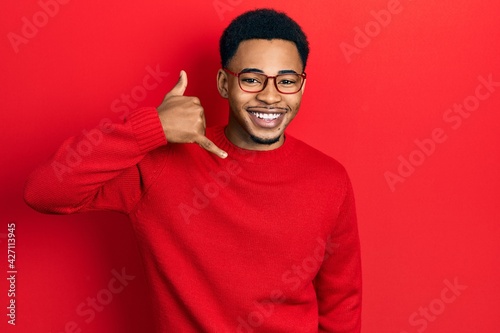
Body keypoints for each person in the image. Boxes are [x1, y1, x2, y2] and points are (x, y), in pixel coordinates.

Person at [24, 8, 362, 333]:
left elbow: (342, 305)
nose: (271, 96)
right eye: (252, 79)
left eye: (286, 80)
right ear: (223, 84)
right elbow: (45, 191)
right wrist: (151, 127)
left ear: (301, 86)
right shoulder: (162, 164)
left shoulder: (330, 180)